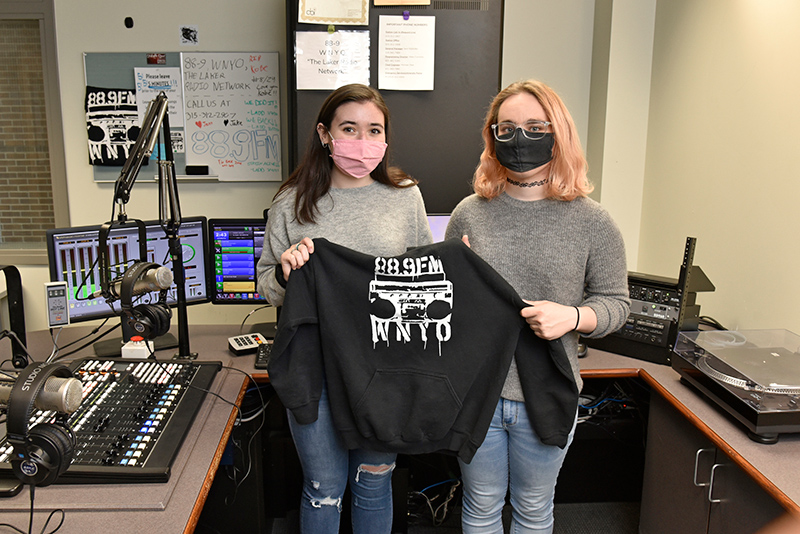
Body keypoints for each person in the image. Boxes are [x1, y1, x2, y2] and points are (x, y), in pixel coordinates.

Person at [445, 79, 630, 533]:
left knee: (532, 509)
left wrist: (574, 316)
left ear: (558, 132)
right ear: (492, 138)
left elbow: (617, 304)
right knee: (481, 506)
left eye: (534, 126)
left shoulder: (594, 221)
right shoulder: (469, 212)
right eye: (505, 129)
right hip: (477, 393)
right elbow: (441, 304)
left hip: (546, 394)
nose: (519, 139)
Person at [256, 83, 432, 534]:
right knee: (323, 488)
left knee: (374, 484)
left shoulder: (405, 196)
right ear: (325, 133)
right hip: (314, 369)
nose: (363, 140)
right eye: (349, 128)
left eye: (374, 130)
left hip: (384, 370)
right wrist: (286, 273)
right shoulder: (292, 203)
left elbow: (426, 276)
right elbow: (268, 287)